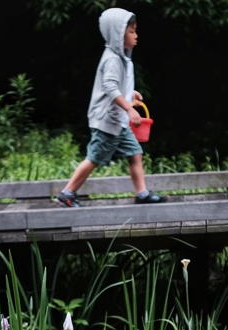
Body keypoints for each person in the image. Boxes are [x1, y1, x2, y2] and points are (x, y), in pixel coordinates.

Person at [55, 8, 167, 208]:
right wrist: (129, 109)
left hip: (118, 122)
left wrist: (130, 96)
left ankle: (142, 194)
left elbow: (117, 88)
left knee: (135, 153)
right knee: (95, 158)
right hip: (107, 121)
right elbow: (109, 87)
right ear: (118, 33)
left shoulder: (122, 58)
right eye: (131, 31)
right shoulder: (113, 59)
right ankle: (67, 193)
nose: (136, 35)